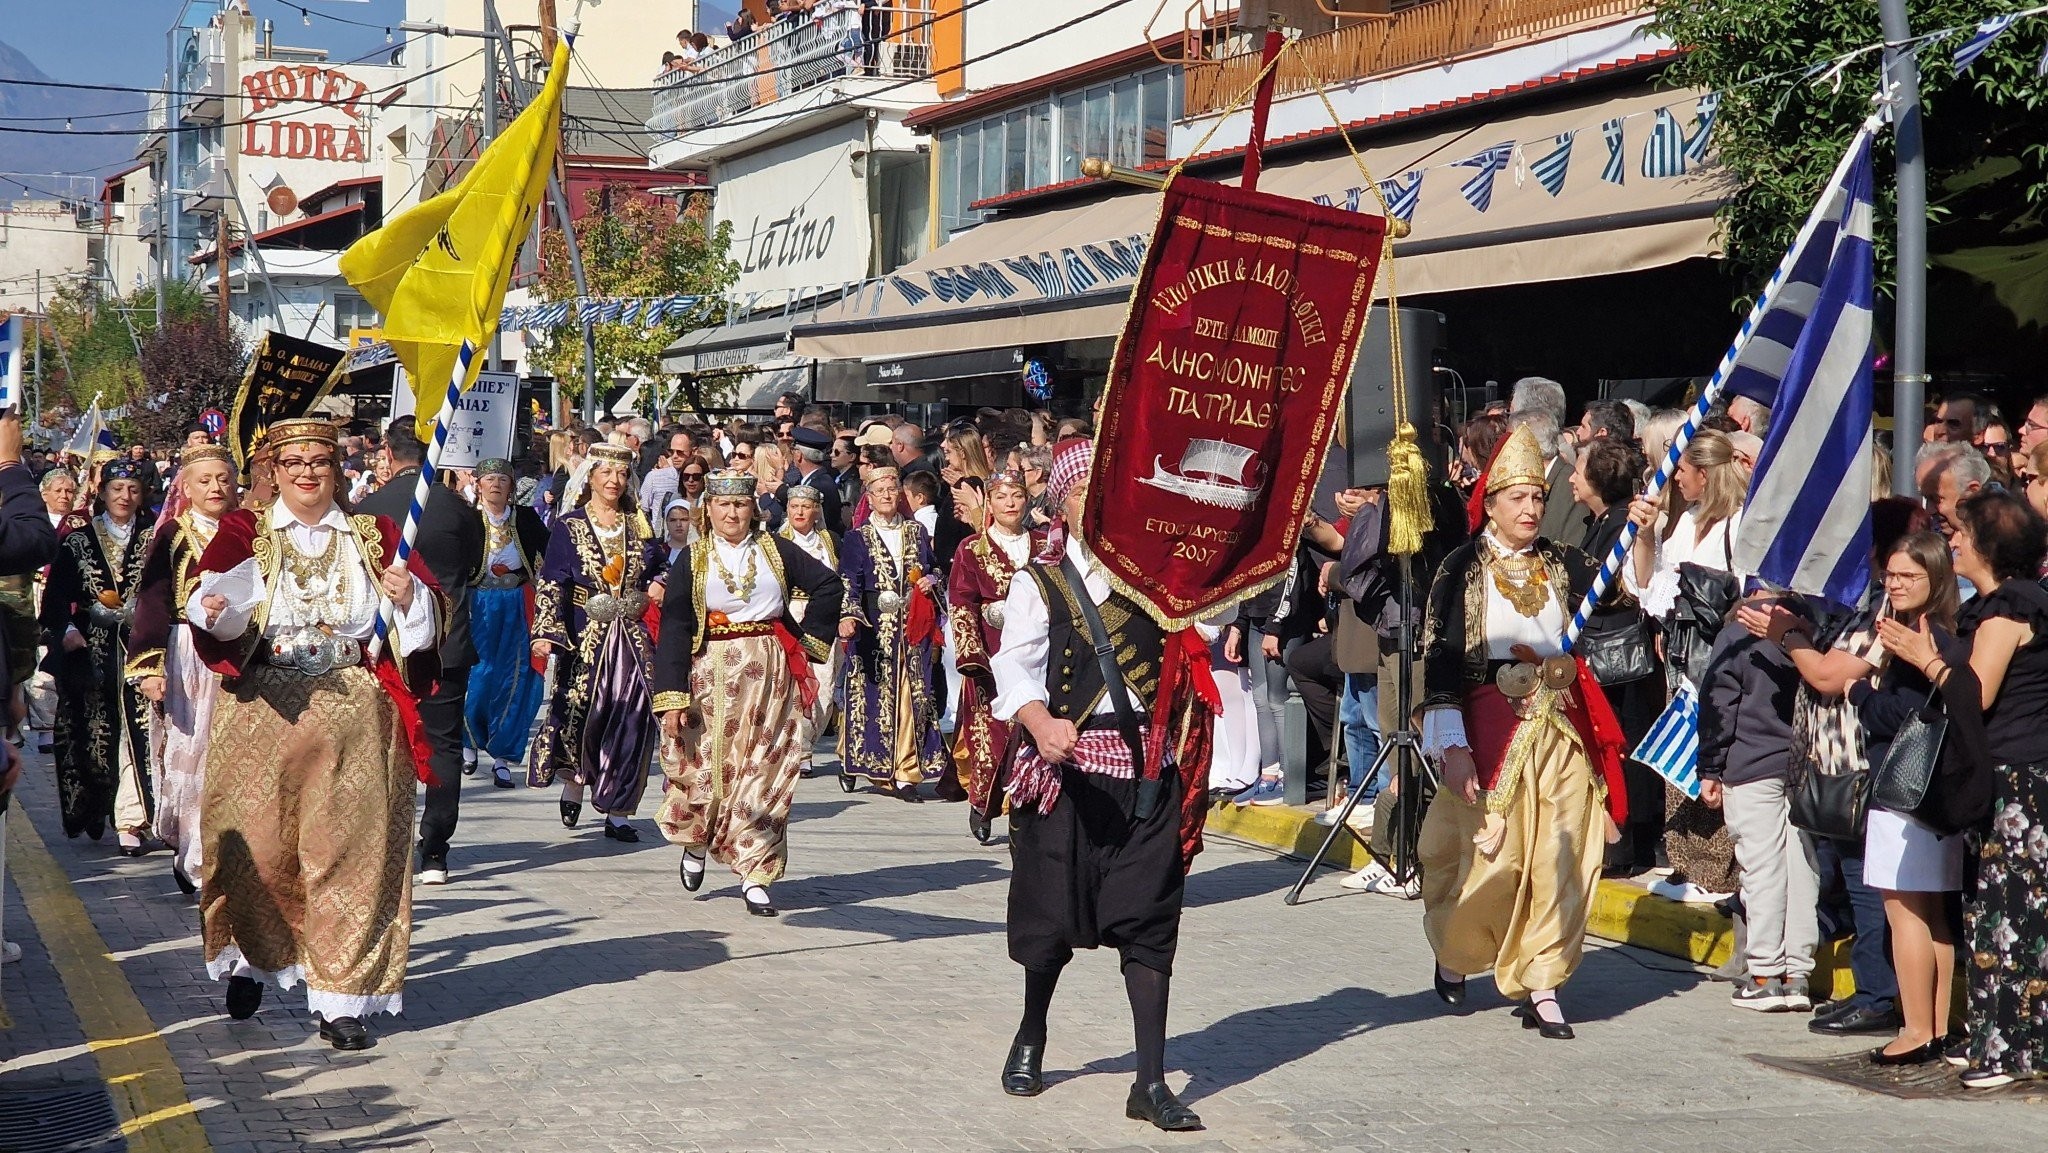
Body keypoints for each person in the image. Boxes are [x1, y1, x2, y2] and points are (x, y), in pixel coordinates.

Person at [185, 418, 441, 1051]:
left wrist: (410, 598)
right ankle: (252, 954)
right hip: (263, 712)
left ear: (337, 469)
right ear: (273, 469)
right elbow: (209, 601)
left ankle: (339, 998)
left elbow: (429, 616)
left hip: (356, 715)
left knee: (349, 855)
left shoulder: (378, 535)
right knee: (262, 852)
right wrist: (215, 611)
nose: (307, 472)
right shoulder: (246, 532)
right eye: (293, 461)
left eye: (320, 462)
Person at [987, 436, 1220, 1131]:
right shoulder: (1041, 580)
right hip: (1067, 773)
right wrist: (1036, 719)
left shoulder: (1164, 580)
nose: (1104, 502)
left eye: (1114, 488)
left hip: (1146, 769)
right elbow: (1013, 667)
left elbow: (1223, 614)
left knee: (1150, 922)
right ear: (1063, 503)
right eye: (1089, 490)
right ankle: (1032, 1029)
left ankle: (1149, 1080)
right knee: (1050, 917)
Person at [1418, 425, 1627, 1041]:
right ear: (1492, 502)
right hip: (1489, 728)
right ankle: (1458, 951)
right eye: (1519, 498)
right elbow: (1441, 659)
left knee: (1563, 853)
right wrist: (1451, 745)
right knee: (1492, 860)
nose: (1533, 509)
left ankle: (1543, 978)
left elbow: (1621, 593)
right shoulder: (1460, 568)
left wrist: (1641, 531)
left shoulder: (1564, 563)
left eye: (1539, 497)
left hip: (1561, 727)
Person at [1886, 490, 2048, 1087]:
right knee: (1990, 911)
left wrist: (1923, 659)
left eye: (1962, 533)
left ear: (1988, 545)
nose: (1952, 541)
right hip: (2005, 776)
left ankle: (2007, 1050)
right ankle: (1996, 1036)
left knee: (2011, 917)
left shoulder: (2009, 609)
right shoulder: (1993, 605)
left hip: (2022, 781)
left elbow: (1976, 693)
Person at [653, 469, 842, 917]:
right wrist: (672, 696)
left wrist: (812, 642)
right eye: (723, 505)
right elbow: (677, 626)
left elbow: (828, 584)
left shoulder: (776, 550)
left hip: (770, 675)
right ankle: (697, 842)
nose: (732, 513)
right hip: (710, 677)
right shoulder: (694, 558)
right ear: (709, 510)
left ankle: (756, 870)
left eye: (739, 505)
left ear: (752, 509)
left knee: (767, 771)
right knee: (708, 771)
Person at [1856, 531, 1965, 1064]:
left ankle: (1917, 1029)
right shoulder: (1947, 629)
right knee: (1934, 914)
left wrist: (1859, 692)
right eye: (1891, 575)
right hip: (1935, 795)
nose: (1895, 584)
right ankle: (1939, 1026)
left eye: (1908, 576)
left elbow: (1893, 715)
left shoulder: (1921, 637)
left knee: (1906, 914)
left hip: (1906, 791)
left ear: (1936, 578)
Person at [358, 430, 484, 885]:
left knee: (385, 745)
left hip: (389, 647)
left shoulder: (367, 508)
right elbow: (473, 565)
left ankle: (387, 841)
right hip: (446, 644)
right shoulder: (457, 507)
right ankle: (435, 850)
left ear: (388, 455)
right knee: (443, 744)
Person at [1627, 428, 1749, 898]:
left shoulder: (1735, 527)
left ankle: (1715, 869)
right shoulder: (1686, 521)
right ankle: (1685, 860)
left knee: (1711, 752)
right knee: (1678, 749)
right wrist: (1643, 536)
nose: (1675, 477)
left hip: (1717, 657)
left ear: (1705, 473)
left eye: (1682, 469)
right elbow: (1649, 586)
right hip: (1680, 655)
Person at [528, 443, 667, 842]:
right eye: (606, 473)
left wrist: (660, 583)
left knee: (634, 718)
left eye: (621, 475)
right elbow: (553, 582)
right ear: (590, 477)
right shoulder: (569, 526)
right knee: (584, 715)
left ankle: (619, 809)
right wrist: (545, 633)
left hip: (634, 639)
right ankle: (575, 779)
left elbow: (661, 565)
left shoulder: (639, 524)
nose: (614, 481)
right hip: (584, 638)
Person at [1699, 588, 1816, 1013]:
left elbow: (1718, 704)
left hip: (1750, 767)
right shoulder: (1809, 626)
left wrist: (1710, 769)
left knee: (1761, 869)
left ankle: (1765, 975)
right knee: (1802, 869)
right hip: (1804, 766)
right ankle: (1797, 975)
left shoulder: (1739, 633)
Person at [127, 445, 236, 895]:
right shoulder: (174, 533)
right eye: (205, 480)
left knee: (230, 754)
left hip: (236, 655)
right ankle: (192, 851)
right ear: (186, 487)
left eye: (223, 479)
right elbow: (151, 602)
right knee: (193, 750)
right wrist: (149, 665)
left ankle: (228, 850)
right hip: (189, 651)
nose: (216, 487)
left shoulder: (248, 528)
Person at [42, 460, 154, 851]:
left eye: (133, 489)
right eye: (117, 488)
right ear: (103, 492)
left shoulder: (154, 537)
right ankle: (93, 808)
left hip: (142, 648)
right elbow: (56, 598)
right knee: (93, 734)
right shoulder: (77, 539)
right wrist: (68, 632)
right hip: (92, 651)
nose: (125, 497)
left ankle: (134, 818)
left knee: (140, 731)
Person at [1571, 437, 1664, 875]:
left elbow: (1609, 587)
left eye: (1578, 470)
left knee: (1625, 747)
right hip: (1601, 653)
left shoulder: (1623, 523)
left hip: (1619, 656)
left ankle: (1631, 845)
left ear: (1598, 479)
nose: (1572, 478)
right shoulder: (1602, 520)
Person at [947, 468, 1044, 842]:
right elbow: (961, 603)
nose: (1010, 504)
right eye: (1002, 497)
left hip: (1037, 649)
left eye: (1016, 496)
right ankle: (982, 803)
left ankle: (1029, 806)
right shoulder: (972, 548)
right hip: (990, 650)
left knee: (1030, 729)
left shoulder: (1044, 545)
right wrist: (971, 652)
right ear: (990, 501)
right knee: (990, 731)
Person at [837, 467, 946, 799]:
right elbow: (848, 582)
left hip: (913, 628)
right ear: (868, 496)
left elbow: (934, 567)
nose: (886, 494)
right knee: (872, 696)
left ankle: (906, 772)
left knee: (914, 695)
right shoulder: (858, 537)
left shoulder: (915, 531)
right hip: (874, 628)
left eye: (891, 488)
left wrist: (932, 580)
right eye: (879, 489)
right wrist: (849, 615)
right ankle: (857, 757)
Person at [462, 459, 551, 789]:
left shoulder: (526, 519)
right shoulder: (469, 520)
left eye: (503, 479)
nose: (496, 484)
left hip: (516, 602)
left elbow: (553, 553)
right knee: (477, 676)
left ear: (512, 486)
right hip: (479, 605)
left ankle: (502, 756)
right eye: (489, 479)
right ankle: (468, 742)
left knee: (514, 678)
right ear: (479, 484)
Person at [775, 484, 840, 775]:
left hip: (823, 616)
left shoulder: (831, 541)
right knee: (792, 683)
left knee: (823, 684)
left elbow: (842, 581)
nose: (799, 512)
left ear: (816, 511)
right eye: (794, 507)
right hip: (789, 614)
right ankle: (798, 750)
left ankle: (810, 737)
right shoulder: (775, 541)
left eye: (805, 507)